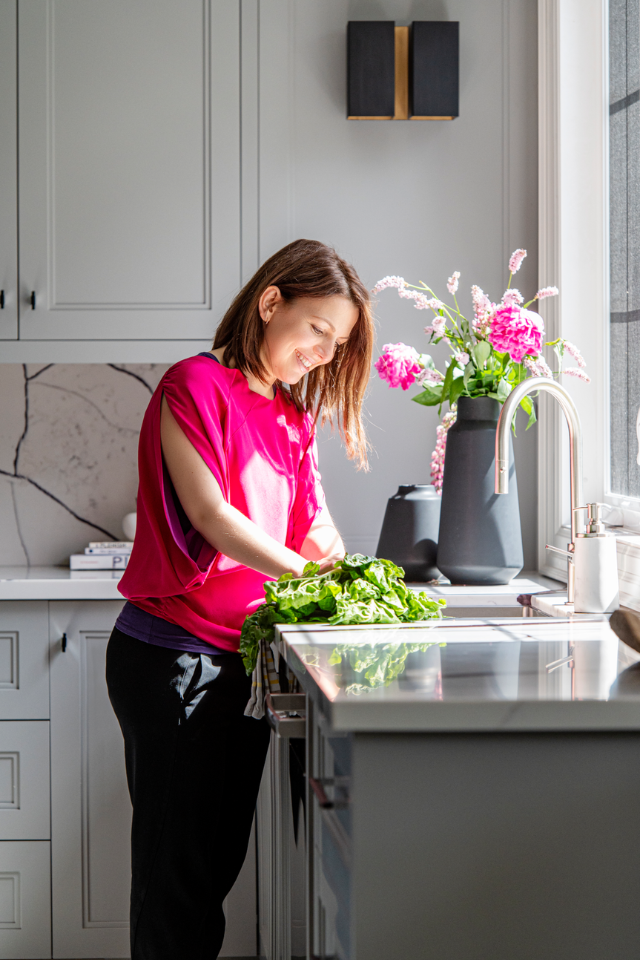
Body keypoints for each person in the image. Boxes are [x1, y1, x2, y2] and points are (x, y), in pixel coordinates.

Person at [105, 238, 374, 960]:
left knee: (213, 868)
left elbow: (314, 527)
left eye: (337, 342)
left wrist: (362, 585)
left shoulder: (290, 417)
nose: (324, 352)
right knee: (176, 875)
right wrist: (311, 580)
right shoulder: (191, 386)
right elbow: (213, 516)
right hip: (173, 663)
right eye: (318, 328)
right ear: (270, 302)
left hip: (243, 664)